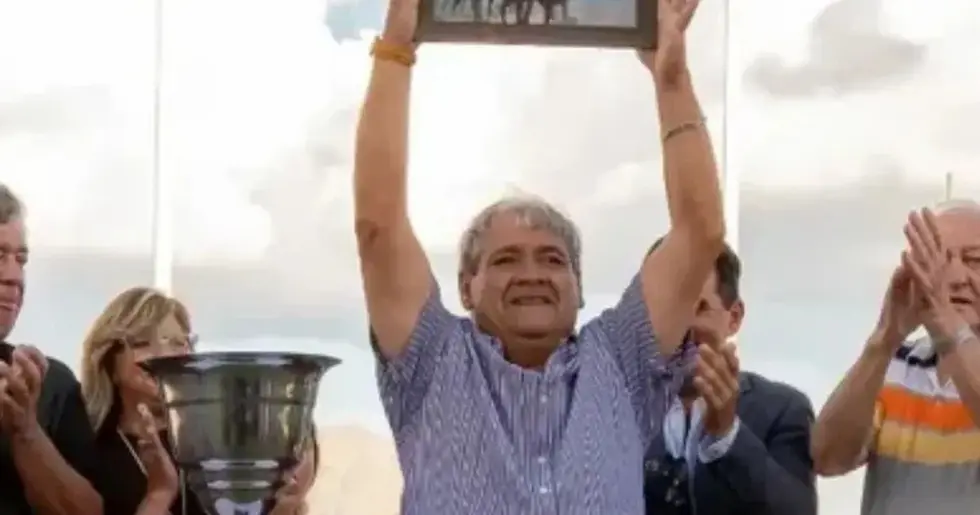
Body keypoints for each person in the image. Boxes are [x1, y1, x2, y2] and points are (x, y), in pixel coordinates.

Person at [353, 0, 724, 511]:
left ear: (579, 284)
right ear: (466, 287)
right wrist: (395, 49)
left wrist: (673, 82)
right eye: (506, 259)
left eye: (552, 259)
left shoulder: (622, 361)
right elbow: (378, 228)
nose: (532, 274)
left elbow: (701, 234)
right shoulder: (432, 360)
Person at [79, 286, 319, 515]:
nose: (164, 355)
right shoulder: (87, 447)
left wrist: (286, 505)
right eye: (142, 343)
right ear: (108, 360)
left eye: (178, 343)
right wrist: (159, 494)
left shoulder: (224, 441)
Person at [812, 202, 980, 515]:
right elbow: (828, 458)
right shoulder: (897, 363)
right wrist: (884, 338)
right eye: (940, 261)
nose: (956, 277)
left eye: (975, 261)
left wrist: (947, 325)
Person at [642, 239, 816, 515]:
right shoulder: (615, 411)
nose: (677, 326)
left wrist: (727, 435)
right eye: (662, 308)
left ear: (734, 317)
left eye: (697, 308)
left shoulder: (782, 410)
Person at [0, 182, 103, 515]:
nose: (14, 276)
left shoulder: (50, 385)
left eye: (21, 259)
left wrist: (25, 430)